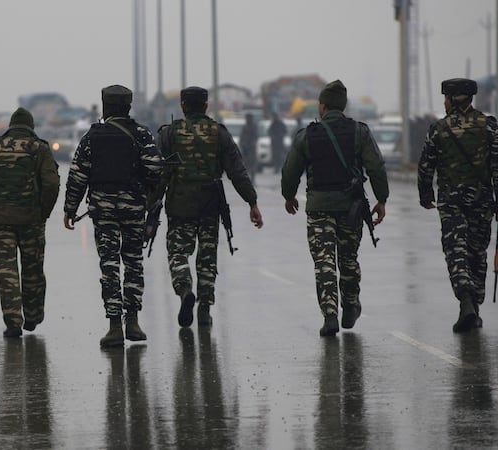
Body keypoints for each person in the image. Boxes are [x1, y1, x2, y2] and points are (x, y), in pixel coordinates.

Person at [281, 80, 388, 337]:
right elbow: (376, 167)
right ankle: (350, 305)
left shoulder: (307, 135)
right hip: (351, 207)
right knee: (348, 258)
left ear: (323, 106)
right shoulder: (359, 132)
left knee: (324, 261)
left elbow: (289, 171)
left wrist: (289, 195)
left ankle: (330, 315)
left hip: (318, 207)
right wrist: (381, 199)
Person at [152, 86, 263, 328]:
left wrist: (150, 206)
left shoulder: (169, 134)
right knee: (207, 257)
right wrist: (252, 202)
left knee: (178, 253)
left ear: (182, 106)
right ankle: (204, 308)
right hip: (210, 204)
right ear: (206, 106)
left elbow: (158, 174)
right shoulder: (219, 133)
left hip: (180, 204)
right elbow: (237, 171)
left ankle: (184, 290)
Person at [63, 85, 163, 348]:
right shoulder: (141, 134)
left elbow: (78, 175)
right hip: (133, 210)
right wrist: (145, 192)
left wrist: (70, 209)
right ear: (128, 106)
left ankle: (114, 326)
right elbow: (155, 168)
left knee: (109, 265)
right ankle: (133, 321)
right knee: (133, 262)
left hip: (103, 211)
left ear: (105, 106)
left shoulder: (92, 137)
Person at [418, 78, 498, 333]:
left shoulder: (439, 129)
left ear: (452, 99)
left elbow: (426, 166)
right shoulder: (488, 126)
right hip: (482, 201)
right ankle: (473, 309)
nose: (445, 102)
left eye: (446, 98)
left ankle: (466, 302)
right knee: (477, 253)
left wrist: (425, 195)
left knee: (456, 251)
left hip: (451, 202)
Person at [0, 107, 60, 337]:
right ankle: (33, 314)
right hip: (32, 219)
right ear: (31, 127)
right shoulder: (40, 148)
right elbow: (51, 183)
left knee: (6, 269)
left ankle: (13, 321)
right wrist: (44, 211)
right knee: (33, 268)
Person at [239, 112, 259, 181]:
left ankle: (253, 179)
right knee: (246, 164)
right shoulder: (245, 126)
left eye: (248, 118)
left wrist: (253, 143)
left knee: (252, 164)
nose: (247, 119)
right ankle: (247, 179)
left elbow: (256, 136)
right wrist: (241, 143)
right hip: (245, 147)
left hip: (251, 148)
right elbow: (242, 136)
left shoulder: (254, 126)